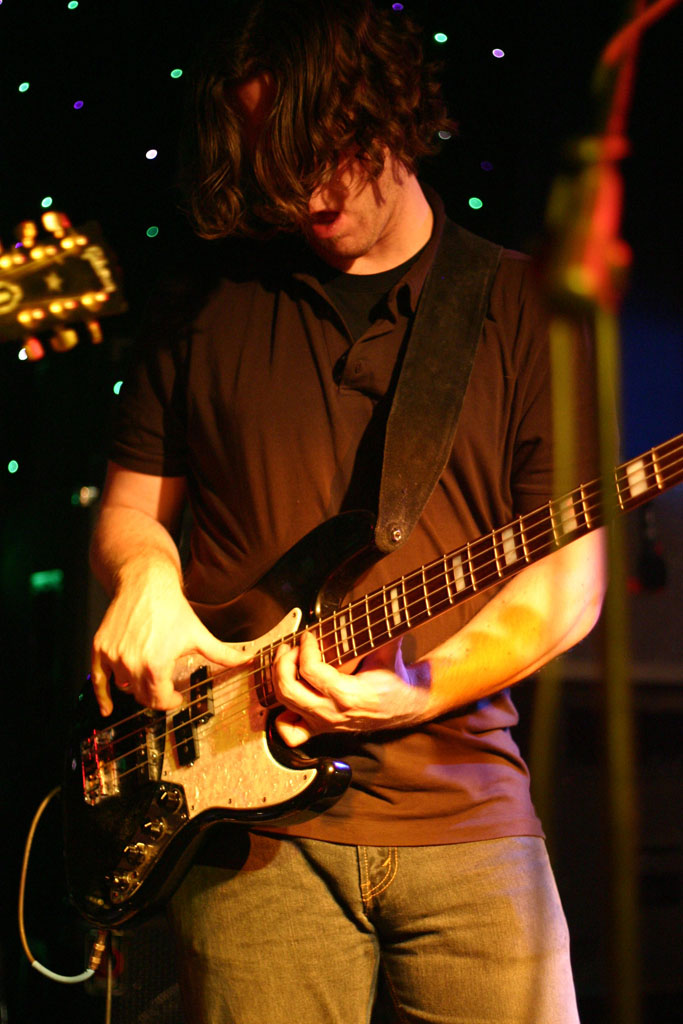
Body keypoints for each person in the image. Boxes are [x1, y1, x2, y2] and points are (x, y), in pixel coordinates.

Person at [89, 2, 606, 1021]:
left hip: (464, 815)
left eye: (319, 150)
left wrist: (417, 694)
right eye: (268, 161)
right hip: (239, 831)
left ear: (390, 112)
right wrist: (143, 574)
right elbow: (129, 509)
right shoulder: (201, 302)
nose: (299, 192)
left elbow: (566, 579)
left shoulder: (522, 306)